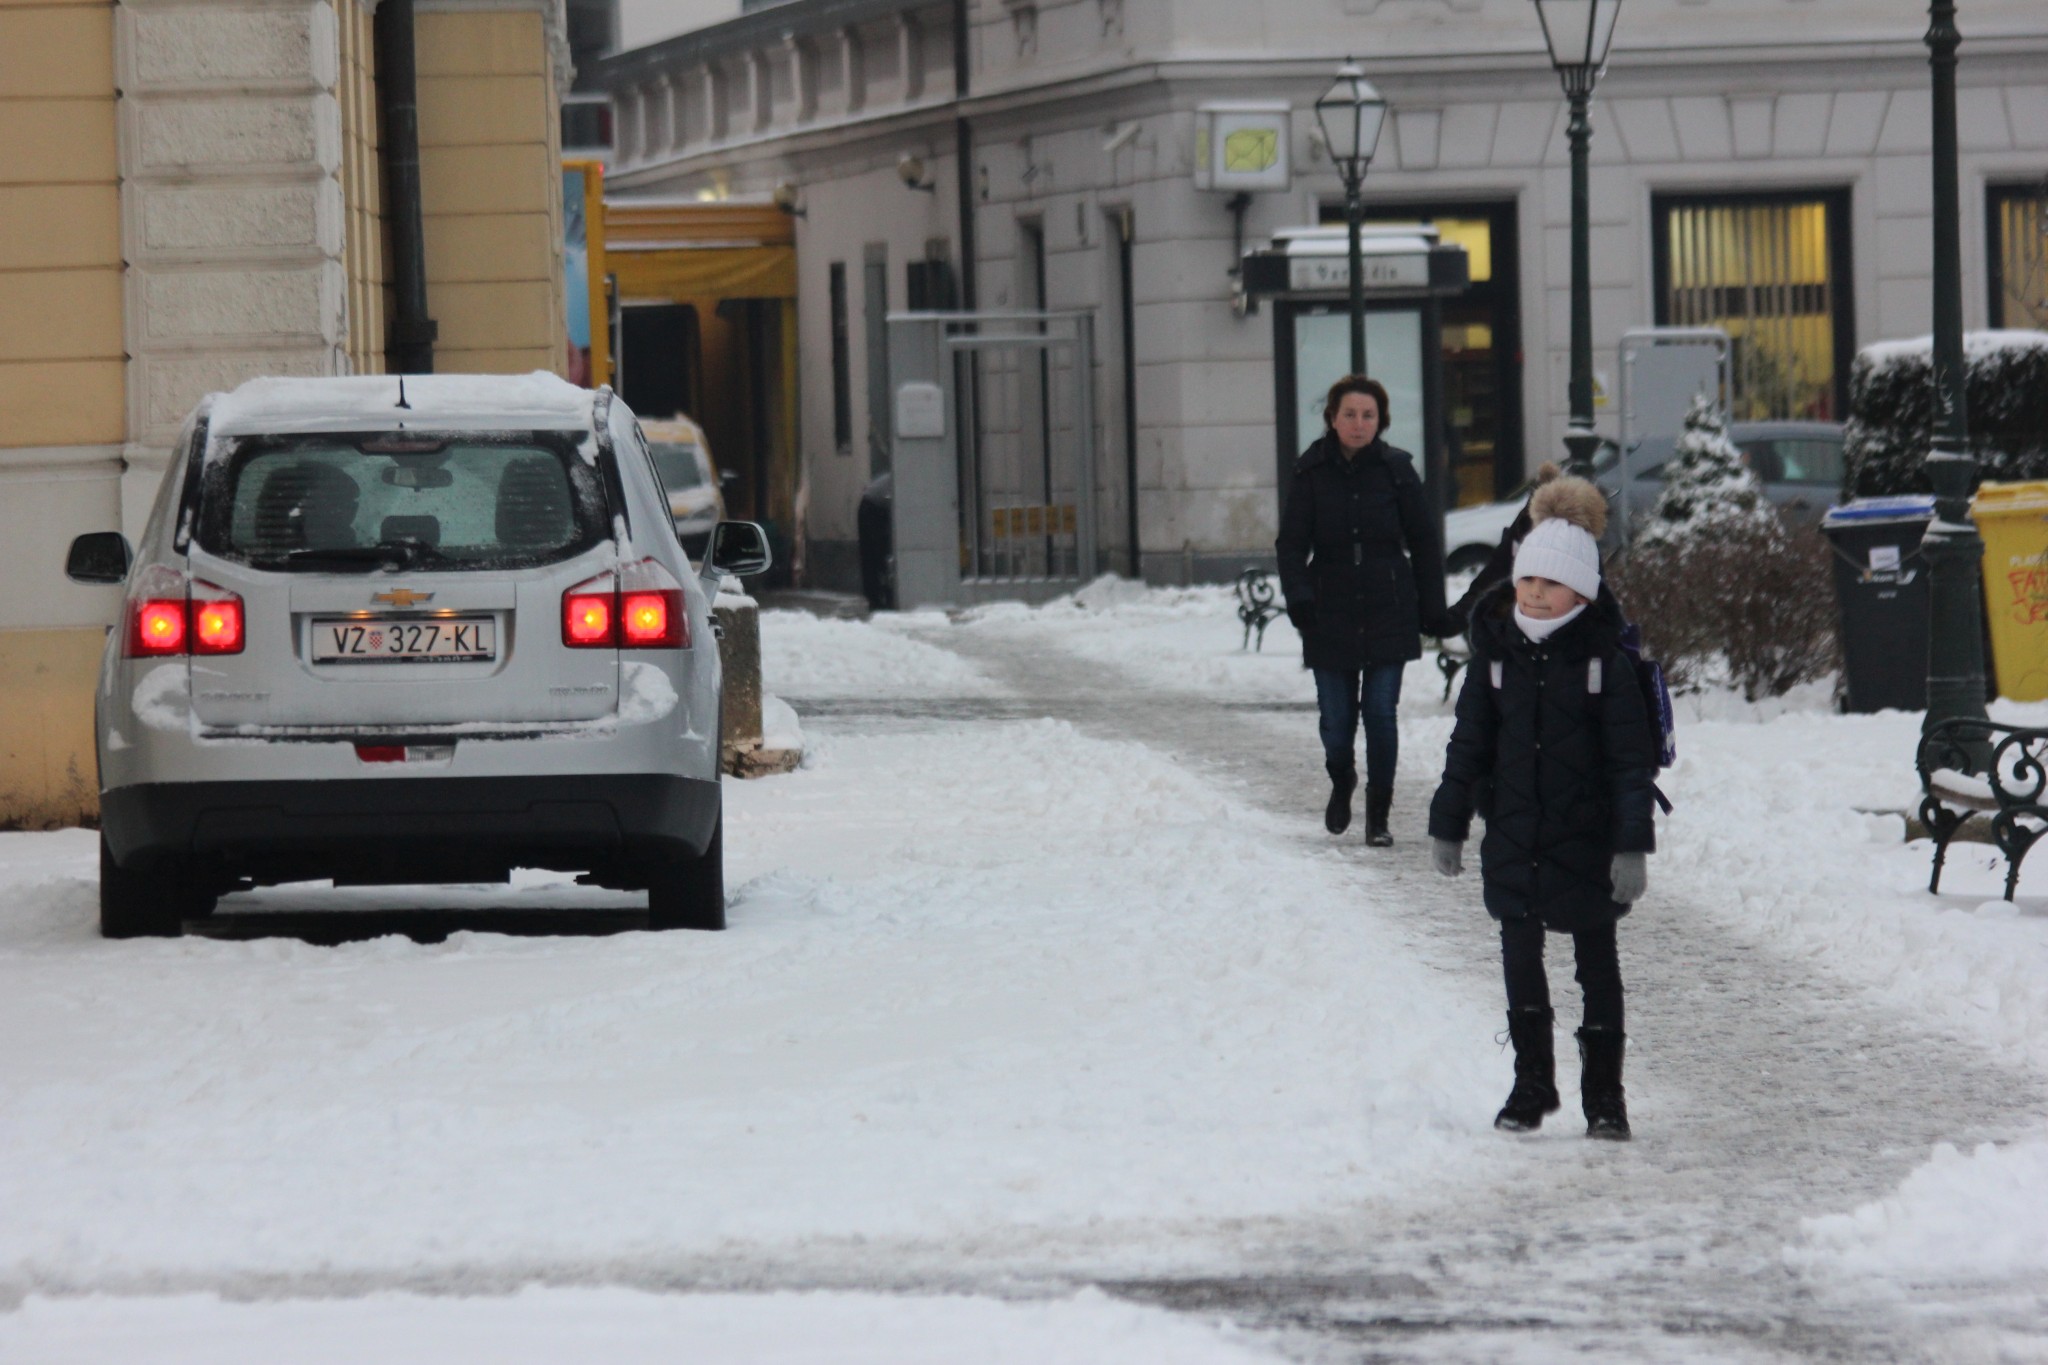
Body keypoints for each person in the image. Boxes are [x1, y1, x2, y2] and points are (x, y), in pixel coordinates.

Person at [1425, 475, 1657, 1139]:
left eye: (1549, 584)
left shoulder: (1604, 665)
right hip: (1515, 838)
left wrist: (1630, 844)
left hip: (1586, 841)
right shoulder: (1495, 660)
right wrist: (1449, 823)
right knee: (1519, 959)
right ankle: (1531, 1083)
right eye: (1527, 580)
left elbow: (1629, 761)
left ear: (1581, 592)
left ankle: (1605, 1095)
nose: (1533, 593)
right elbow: (1467, 747)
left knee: (1596, 965)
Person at [1276, 376, 1451, 847]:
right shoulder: (1310, 471)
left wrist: (1433, 608)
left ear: (1381, 421)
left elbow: (1424, 542)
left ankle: (1379, 815)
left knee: (1380, 712)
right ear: (1333, 418)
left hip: (1388, 602)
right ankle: (1342, 778)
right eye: (1350, 414)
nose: (1358, 423)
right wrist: (1299, 597)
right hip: (1328, 605)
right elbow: (1291, 544)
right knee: (1336, 719)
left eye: (1368, 415)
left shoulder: (1398, 471)